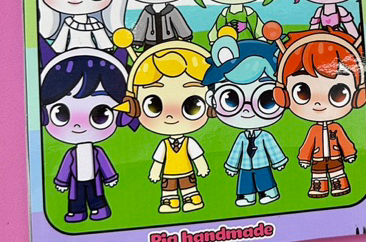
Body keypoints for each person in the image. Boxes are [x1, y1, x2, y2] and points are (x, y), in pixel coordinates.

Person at [115, 35, 212, 214]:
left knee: (190, 189)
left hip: (187, 173)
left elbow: (197, 156)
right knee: (169, 191)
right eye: (154, 105)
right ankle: (170, 202)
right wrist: (155, 171)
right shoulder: (165, 145)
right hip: (168, 174)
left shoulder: (189, 143)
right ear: (134, 106)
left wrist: (202, 166)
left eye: (192, 105)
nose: (171, 115)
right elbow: (158, 160)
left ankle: (192, 199)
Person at [41, 49, 136, 222]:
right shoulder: (72, 154)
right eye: (61, 113)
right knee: (75, 197)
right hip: (76, 181)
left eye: (101, 114)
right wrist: (61, 182)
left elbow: (104, 164)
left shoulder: (97, 152)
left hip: (95, 179)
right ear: (44, 114)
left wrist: (110, 177)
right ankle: (77, 212)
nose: (78, 125)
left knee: (96, 195)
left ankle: (100, 209)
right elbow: (65, 167)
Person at [272, 26, 366, 198]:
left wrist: (350, 153)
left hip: (336, 157)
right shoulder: (314, 130)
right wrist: (304, 158)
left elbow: (344, 141)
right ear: (283, 95)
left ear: (358, 95)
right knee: (318, 176)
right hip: (317, 160)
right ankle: (319, 187)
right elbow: (308, 144)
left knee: (338, 173)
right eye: (302, 92)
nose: (318, 103)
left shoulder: (336, 128)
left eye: (338, 93)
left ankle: (340, 184)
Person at [203, 26, 288, 206]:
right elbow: (236, 152)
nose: (248, 110)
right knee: (245, 182)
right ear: (212, 99)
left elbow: (272, 148)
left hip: (262, 163)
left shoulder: (264, 136)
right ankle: (247, 197)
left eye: (266, 99)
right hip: (245, 165)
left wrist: (278, 161)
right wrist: (232, 166)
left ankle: (270, 193)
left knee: (265, 179)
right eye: (231, 99)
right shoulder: (242, 138)